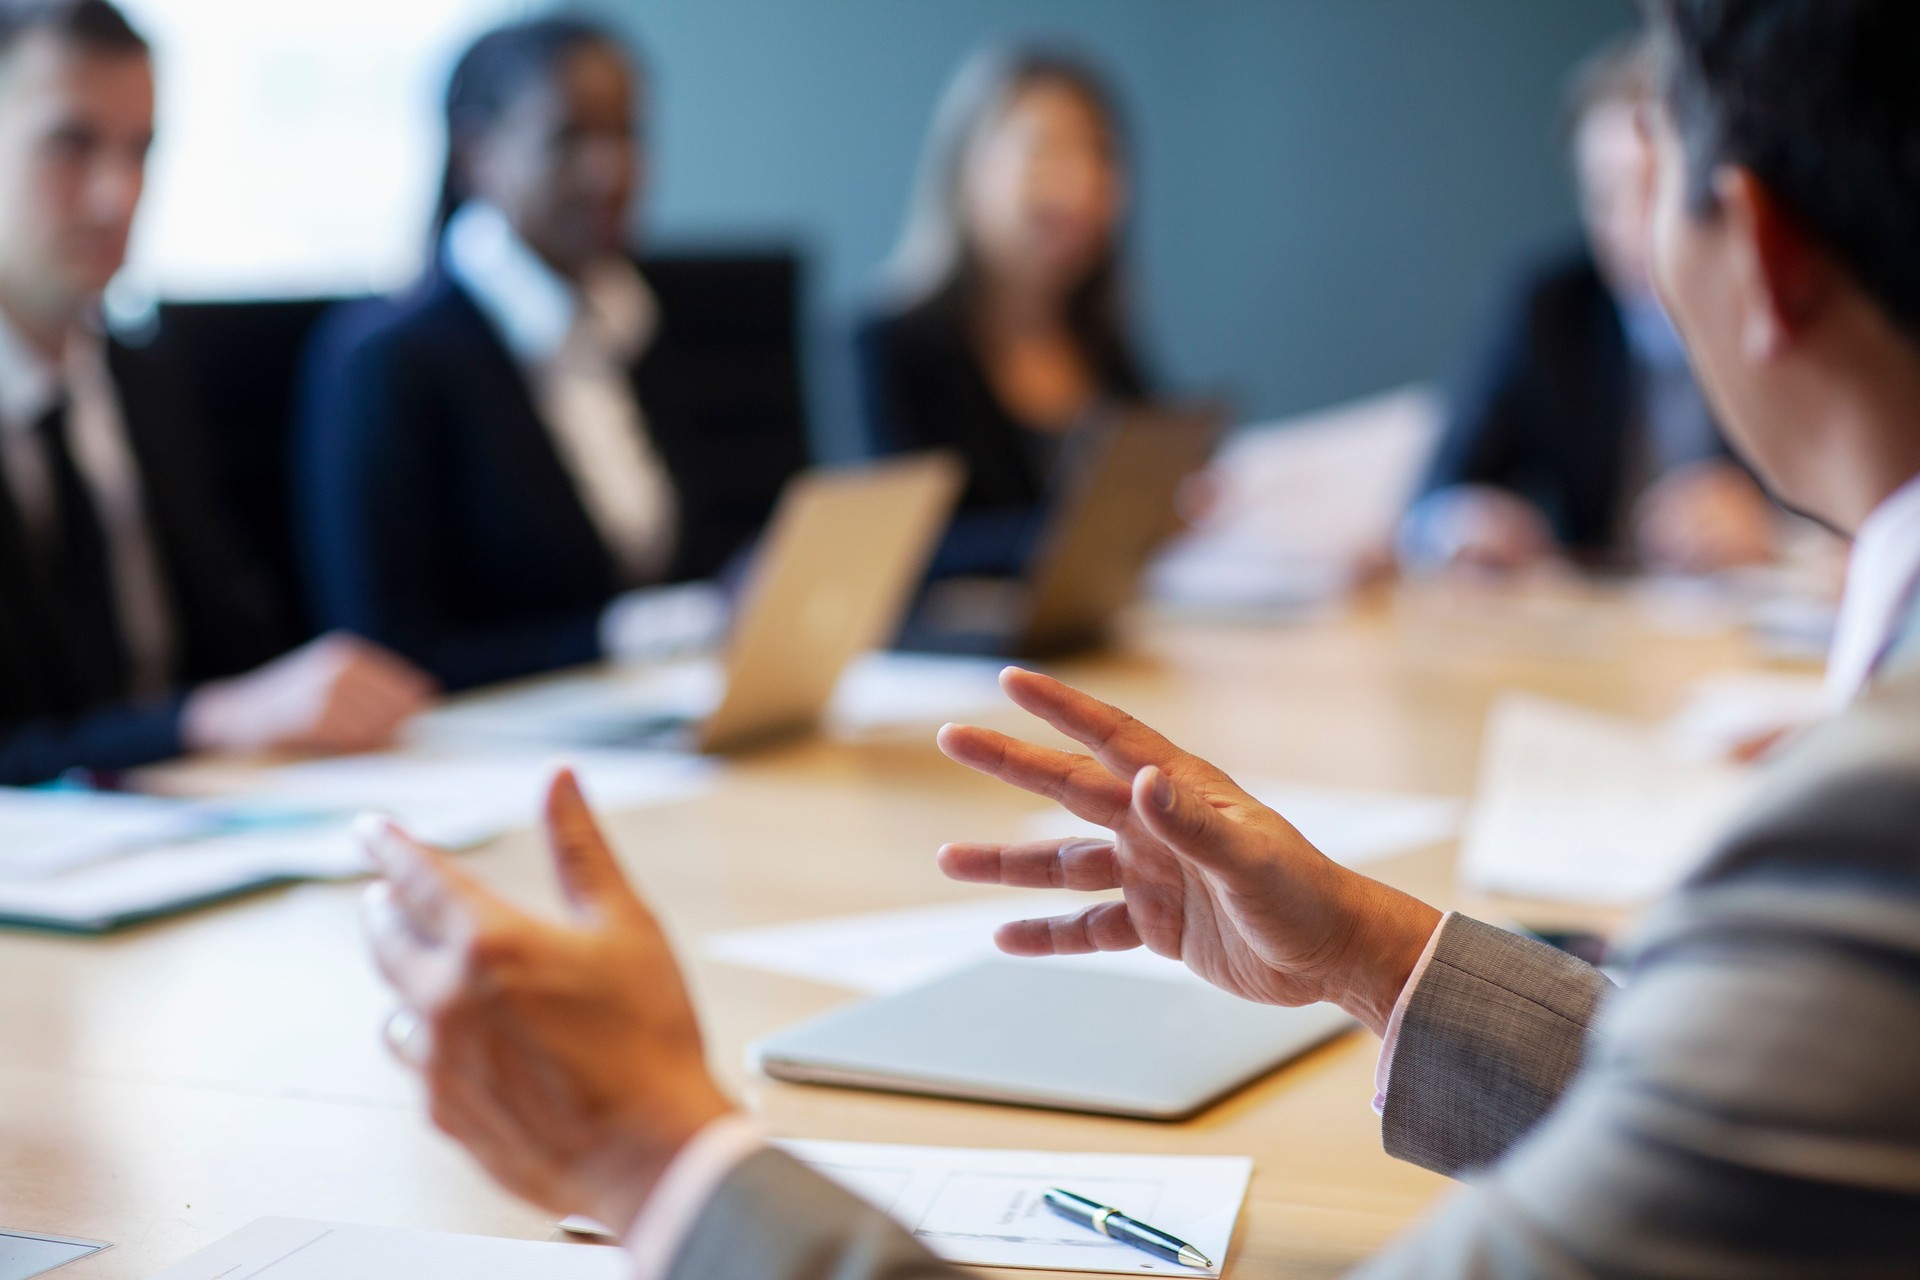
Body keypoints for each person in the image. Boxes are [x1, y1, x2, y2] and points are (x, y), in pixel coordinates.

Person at [360, 0, 1920, 1275]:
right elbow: (1763, 1106)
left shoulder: (1867, 818)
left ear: (1760, 256)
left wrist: (653, 1155)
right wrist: (1379, 952)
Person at [0, 0, 432, 786]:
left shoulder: (141, 379)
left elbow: (236, 652)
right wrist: (209, 718)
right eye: (70, 146)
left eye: (141, 152)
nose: (116, 195)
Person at [296, 17, 735, 693]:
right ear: (477, 156)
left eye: (627, 133)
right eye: (570, 138)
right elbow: (390, 655)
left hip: (650, 724)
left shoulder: (632, 323)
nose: (611, 170)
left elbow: (688, 559)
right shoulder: (389, 359)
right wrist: (640, 632)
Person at [1399, 32, 1778, 576]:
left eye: (1654, 191)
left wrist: (1773, 529)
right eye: (1604, 196)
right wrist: (1461, 523)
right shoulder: (1547, 306)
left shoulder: (1778, 303)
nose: (1628, 226)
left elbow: (1868, 508)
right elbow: (1435, 498)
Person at [857, 47, 1152, 579]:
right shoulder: (890, 344)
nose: (1080, 183)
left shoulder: (1101, 341)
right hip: (965, 658)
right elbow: (898, 551)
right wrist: (1105, 528)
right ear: (967, 167)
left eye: (1101, 155)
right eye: (1043, 151)